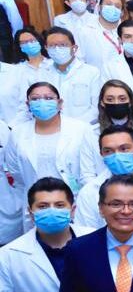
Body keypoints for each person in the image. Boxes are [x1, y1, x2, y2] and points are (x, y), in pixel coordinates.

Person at [4, 82, 92, 221]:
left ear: (60, 103)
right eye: (35, 99)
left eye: (48, 98)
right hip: (36, 205)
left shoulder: (81, 129)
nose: (42, 102)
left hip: (74, 201)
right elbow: (16, 172)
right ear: (28, 104)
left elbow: (89, 169)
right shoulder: (17, 133)